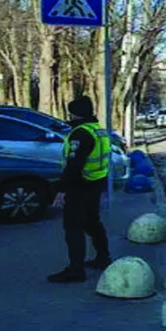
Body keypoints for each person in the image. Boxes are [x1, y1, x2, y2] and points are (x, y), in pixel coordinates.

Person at [47, 95, 112, 283]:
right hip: (96, 183)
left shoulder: (80, 134)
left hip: (80, 186)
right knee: (92, 223)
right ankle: (103, 258)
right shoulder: (97, 130)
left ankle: (76, 270)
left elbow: (74, 164)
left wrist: (62, 189)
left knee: (73, 227)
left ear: (75, 114)